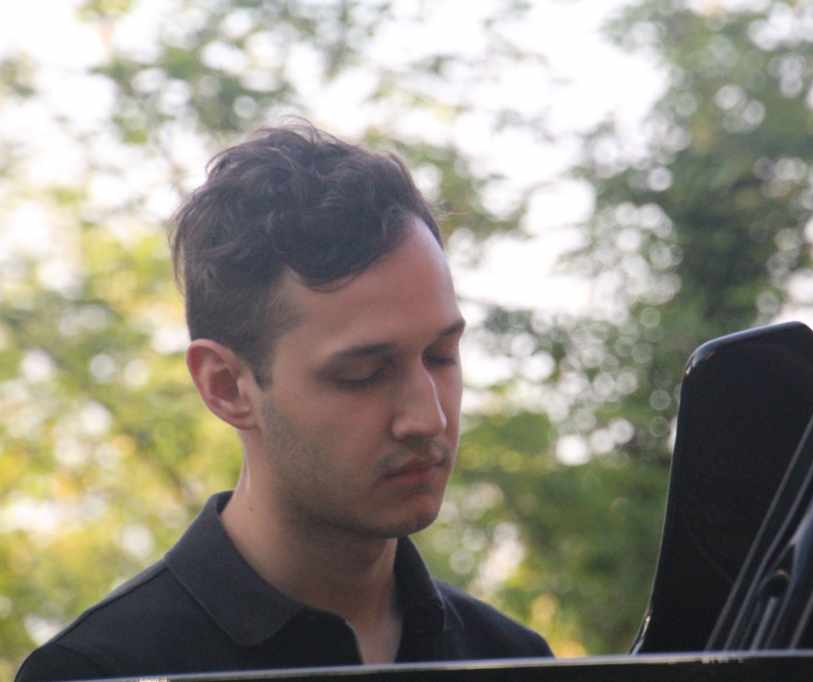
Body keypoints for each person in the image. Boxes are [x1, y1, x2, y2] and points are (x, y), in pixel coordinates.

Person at [17, 121, 552, 681]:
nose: (429, 418)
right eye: (365, 374)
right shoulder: (98, 671)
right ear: (226, 386)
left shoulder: (514, 659)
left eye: (441, 357)